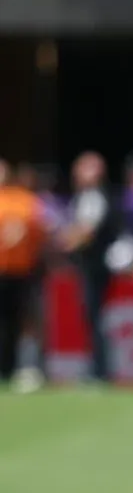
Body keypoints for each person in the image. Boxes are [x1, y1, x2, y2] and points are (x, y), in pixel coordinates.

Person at [55, 152, 121, 384]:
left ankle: (99, 370)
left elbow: (86, 232)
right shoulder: (86, 196)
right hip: (90, 265)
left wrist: (62, 241)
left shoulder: (94, 197)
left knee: (94, 317)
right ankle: (97, 368)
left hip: (94, 266)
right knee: (91, 317)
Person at [0, 160, 44, 392]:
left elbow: (38, 233)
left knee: (23, 321)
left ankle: (23, 367)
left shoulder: (24, 200)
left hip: (22, 271)